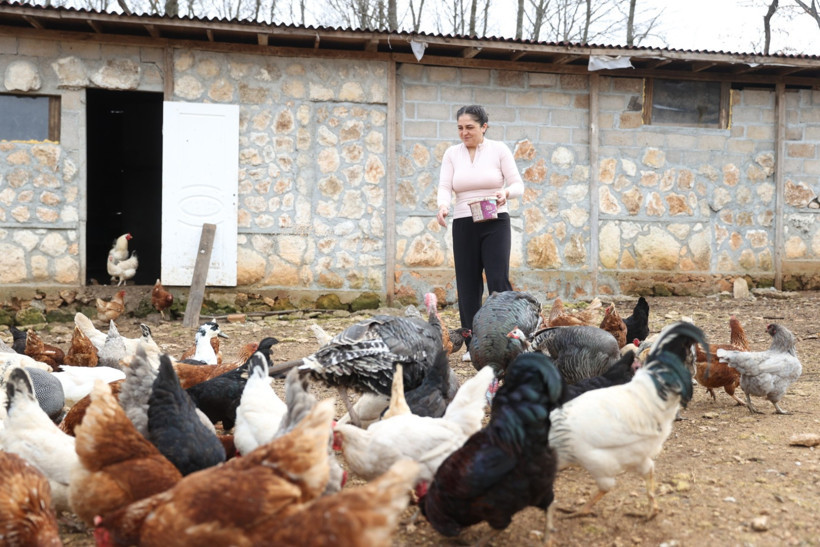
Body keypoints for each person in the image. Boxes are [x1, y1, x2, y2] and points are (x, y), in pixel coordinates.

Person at [436, 105, 524, 362]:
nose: (464, 133)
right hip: (464, 222)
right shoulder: (452, 154)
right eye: (460, 128)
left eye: (470, 128)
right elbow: (444, 186)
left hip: (495, 220)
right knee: (467, 284)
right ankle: (474, 344)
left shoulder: (499, 150)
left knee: (498, 281)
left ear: (484, 127)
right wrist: (443, 206)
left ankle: (508, 340)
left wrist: (505, 193)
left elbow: (518, 184)